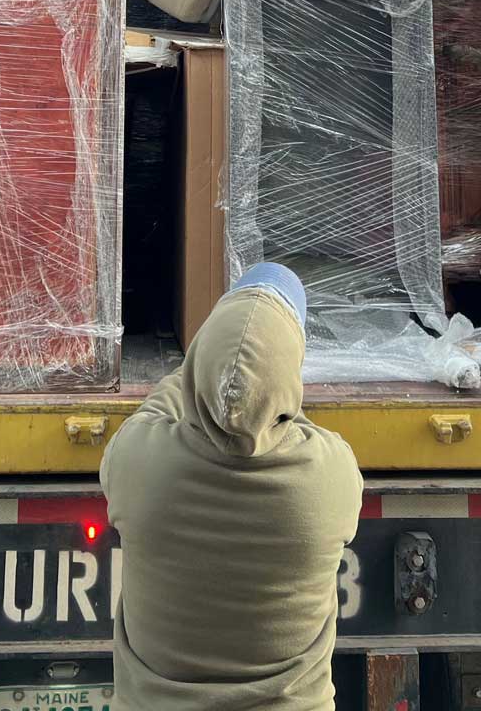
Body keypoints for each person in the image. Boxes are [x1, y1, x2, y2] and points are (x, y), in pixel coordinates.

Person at [100, 263, 364, 709]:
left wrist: (207, 375)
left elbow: (152, 412)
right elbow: (293, 422)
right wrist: (261, 390)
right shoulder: (330, 475)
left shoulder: (139, 463)